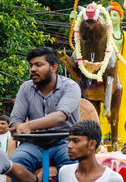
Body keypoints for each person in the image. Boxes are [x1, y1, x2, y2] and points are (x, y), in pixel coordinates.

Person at [9, 47, 80, 179]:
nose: (32, 69)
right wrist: (20, 127)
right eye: (31, 65)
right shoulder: (25, 88)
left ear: (53, 67)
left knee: (71, 165)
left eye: (38, 65)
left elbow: (60, 116)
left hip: (65, 142)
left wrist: (28, 126)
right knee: (16, 162)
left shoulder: (71, 86)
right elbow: (16, 120)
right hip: (33, 143)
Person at [99, 0, 126, 147]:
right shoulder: (104, 34)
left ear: (120, 17)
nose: (112, 18)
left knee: (123, 103)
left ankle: (121, 133)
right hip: (107, 71)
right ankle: (104, 133)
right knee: (104, 103)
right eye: (110, 15)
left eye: (115, 15)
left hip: (123, 69)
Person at [59, 120, 123, 182]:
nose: (69, 146)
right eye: (69, 141)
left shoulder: (112, 179)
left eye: (75, 141)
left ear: (92, 144)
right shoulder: (65, 173)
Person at [0, 115, 11, 182]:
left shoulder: (13, 137)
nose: (0, 126)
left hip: (9, 170)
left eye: (3, 124)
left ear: (8, 125)